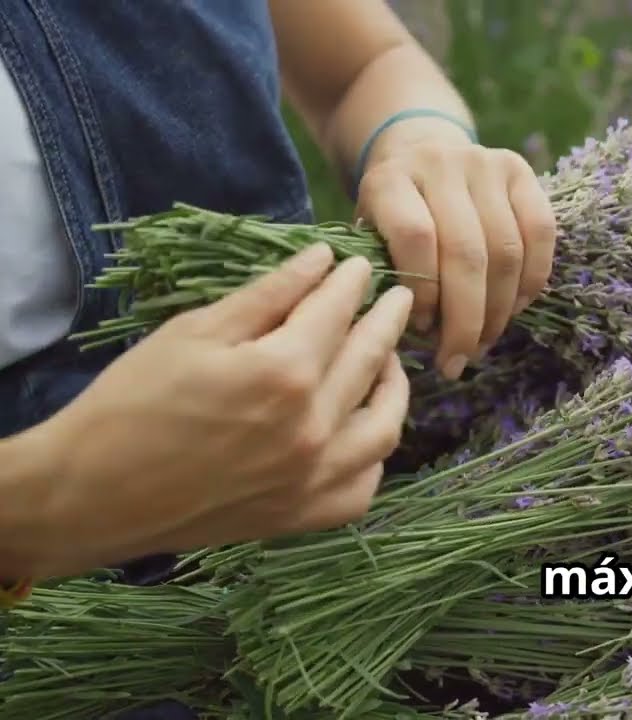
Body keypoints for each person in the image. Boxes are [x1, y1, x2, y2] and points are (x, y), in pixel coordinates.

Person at [0, 0, 556, 603]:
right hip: (54, 647)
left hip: (312, 553)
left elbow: (364, 65)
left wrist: (420, 140)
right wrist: (51, 502)